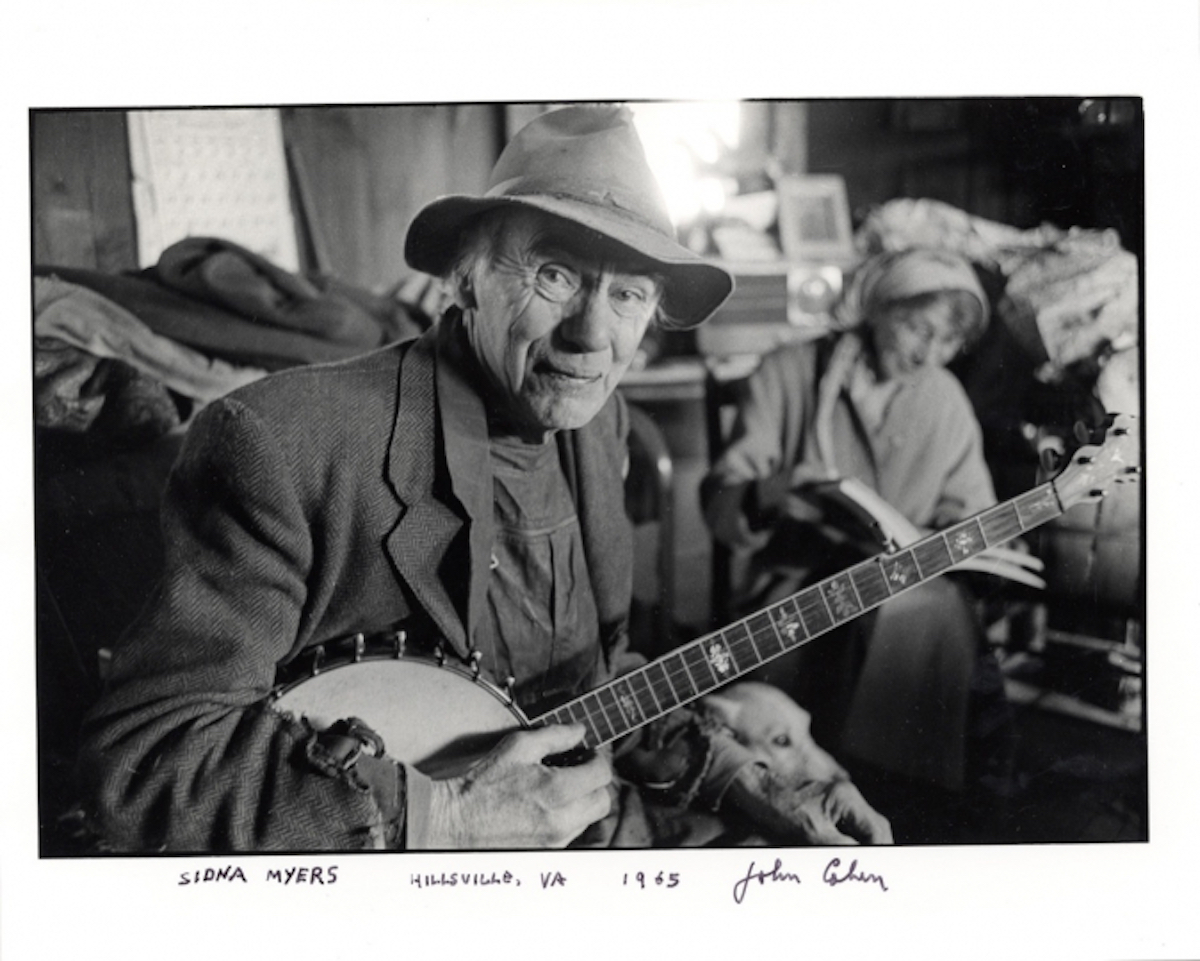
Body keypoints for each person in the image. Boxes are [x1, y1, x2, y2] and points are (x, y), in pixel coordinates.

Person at [78, 105, 891, 851]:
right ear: (467, 278)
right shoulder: (282, 444)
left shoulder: (599, 424)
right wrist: (444, 817)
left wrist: (752, 783)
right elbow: (144, 765)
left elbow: (591, 686)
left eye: (630, 294)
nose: (592, 335)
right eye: (556, 275)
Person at [702, 248, 1014, 792]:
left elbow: (970, 508)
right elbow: (722, 502)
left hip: (912, 593)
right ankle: (874, 789)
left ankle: (891, 793)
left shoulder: (944, 399)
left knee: (930, 607)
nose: (930, 353)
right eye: (919, 330)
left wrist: (975, 544)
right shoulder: (790, 371)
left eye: (949, 342)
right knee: (910, 612)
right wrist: (778, 489)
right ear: (879, 308)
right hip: (798, 586)